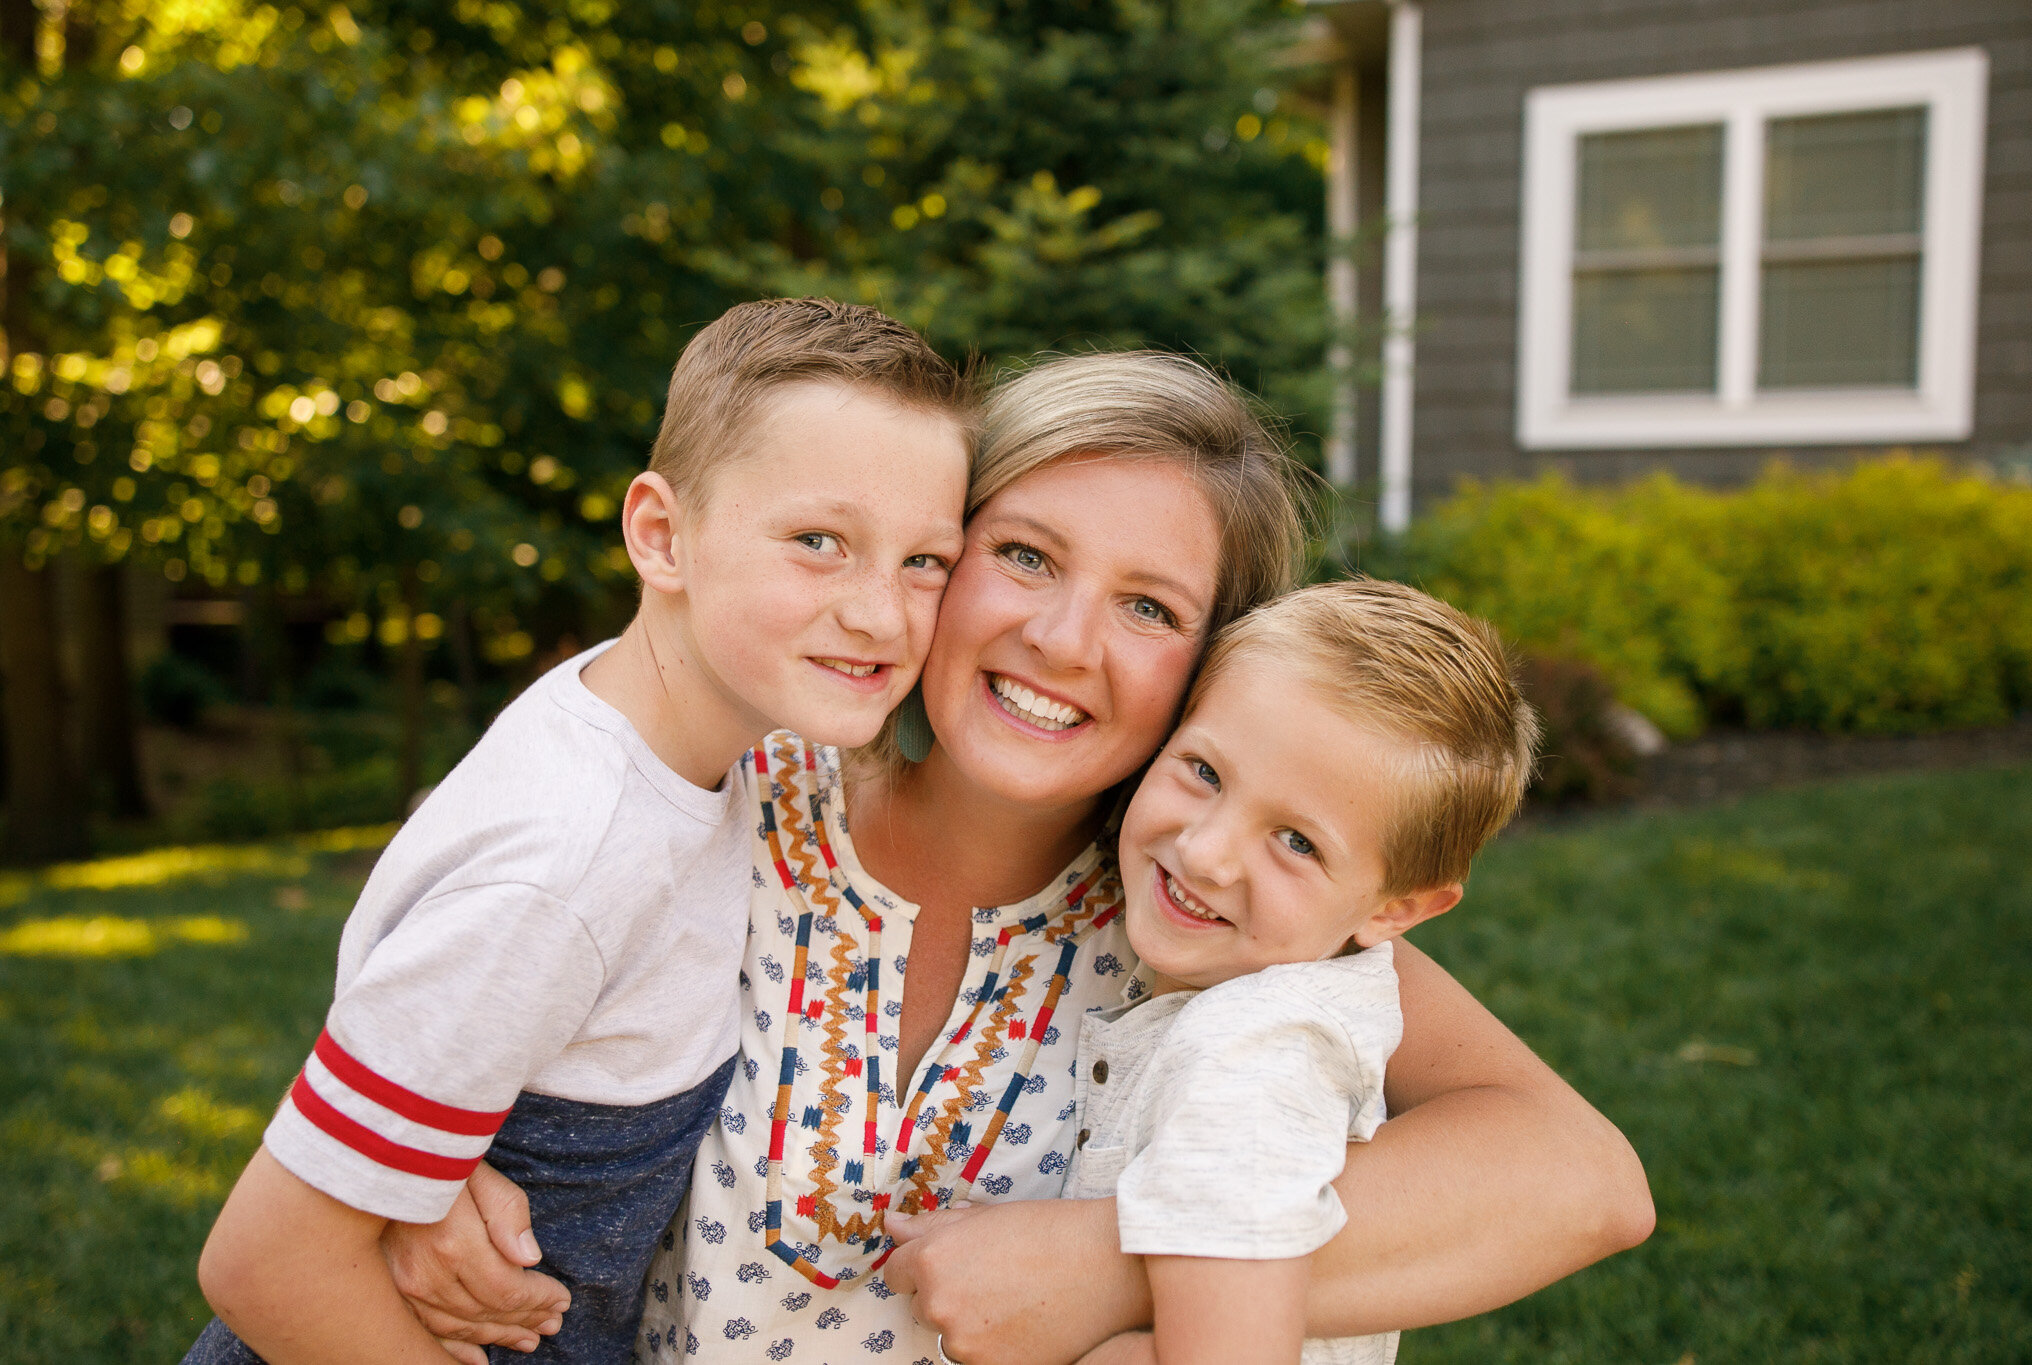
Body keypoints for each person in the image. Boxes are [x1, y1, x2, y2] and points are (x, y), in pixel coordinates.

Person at [382, 351, 1653, 1365]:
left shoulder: (1202, 921)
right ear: (937, 556)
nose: (1058, 637)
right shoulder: (740, 791)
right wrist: (422, 1170)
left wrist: (1109, 1259)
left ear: (1213, 666)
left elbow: (1581, 1181)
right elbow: (462, 955)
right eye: (1025, 555)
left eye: (1148, 607)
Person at [183, 299, 978, 1365]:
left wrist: (437, 1157)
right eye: (818, 543)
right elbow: (265, 1266)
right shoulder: (569, 858)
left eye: (925, 561)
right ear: (661, 536)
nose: (881, 614)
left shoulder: (691, 735)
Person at [1062, 579, 1539, 1365]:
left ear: (1394, 909)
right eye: (1205, 772)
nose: (1206, 851)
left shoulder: (1249, 1057)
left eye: (1296, 842)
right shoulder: (1245, 996)